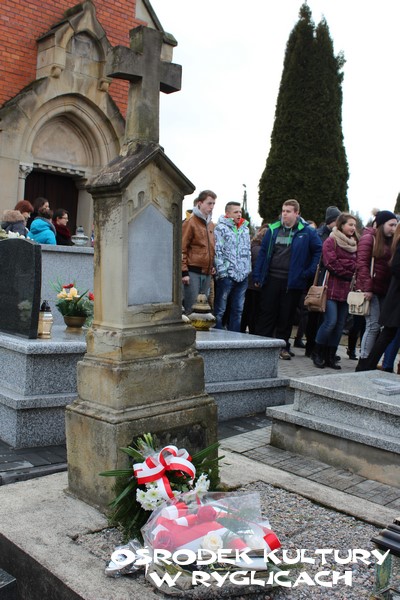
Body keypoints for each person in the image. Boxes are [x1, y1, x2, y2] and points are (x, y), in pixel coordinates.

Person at [253, 199, 322, 360]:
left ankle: (282, 347)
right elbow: (263, 253)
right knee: (267, 313)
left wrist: (308, 272)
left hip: (292, 282)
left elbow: (318, 250)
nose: (284, 214)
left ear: (297, 213)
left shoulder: (307, 232)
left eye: (288, 211)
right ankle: (261, 346)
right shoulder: (273, 229)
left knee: (286, 316)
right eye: (283, 211)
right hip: (271, 278)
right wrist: (258, 275)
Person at [313, 213, 358, 369]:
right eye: (350, 224)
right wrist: (348, 270)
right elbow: (331, 263)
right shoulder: (331, 241)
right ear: (341, 225)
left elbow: (357, 266)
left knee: (339, 325)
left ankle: (330, 356)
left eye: (354, 225)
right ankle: (317, 353)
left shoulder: (355, 244)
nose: (353, 228)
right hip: (330, 288)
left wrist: (346, 266)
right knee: (330, 322)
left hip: (346, 291)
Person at [355, 210, 397, 366]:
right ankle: (364, 360)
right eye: (391, 225)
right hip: (370, 290)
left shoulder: (391, 242)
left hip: (384, 290)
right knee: (373, 325)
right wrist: (367, 288)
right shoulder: (369, 238)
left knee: (381, 327)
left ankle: (369, 359)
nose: (394, 228)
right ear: (381, 224)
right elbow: (362, 265)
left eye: (395, 225)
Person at [305, 206, 341, 358]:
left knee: (327, 318)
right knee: (314, 314)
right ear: (332, 221)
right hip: (318, 279)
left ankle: (323, 348)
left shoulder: (339, 236)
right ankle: (310, 346)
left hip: (330, 282)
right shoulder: (319, 235)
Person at [213, 201, 251, 331]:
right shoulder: (220, 228)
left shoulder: (245, 229)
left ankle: (235, 336)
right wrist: (222, 272)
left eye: (240, 212)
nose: (239, 214)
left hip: (242, 275)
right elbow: (218, 251)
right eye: (236, 212)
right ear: (227, 213)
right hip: (227, 275)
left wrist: (247, 269)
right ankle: (216, 336)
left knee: (238, 309)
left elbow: (248, 251)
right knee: (220, 309)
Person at [181, 190, 216, 314]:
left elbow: (210, 247)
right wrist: (184, 272)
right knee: (192, 308)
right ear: (200, 203)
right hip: (192, 271)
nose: (212, 207)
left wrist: (212, 265)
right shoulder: (190, 222)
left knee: (203, 308)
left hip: (207, 271)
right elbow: (182, 248)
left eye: (213, 204)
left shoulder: (210, 224)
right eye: (209, 203)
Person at [240, 222, 269, 334]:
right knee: (253, 310)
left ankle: (242, 329)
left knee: (246, 309)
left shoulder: (253, 246)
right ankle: (252, 331)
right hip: (255, 284)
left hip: (248, 282)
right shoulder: (260, 249)